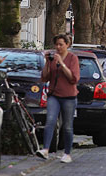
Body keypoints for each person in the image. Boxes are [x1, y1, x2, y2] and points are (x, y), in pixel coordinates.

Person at [36, 34, 80, 163]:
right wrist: (47, 63)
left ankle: (67, 153)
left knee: (67, 126)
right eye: (56, 45)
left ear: (67, 45)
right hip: (54, 95)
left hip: (69, 97)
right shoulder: (53, 58)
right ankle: (45, 149)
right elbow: (45, 77)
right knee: (50, 121)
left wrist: (62, 64)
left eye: (61, 44)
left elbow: (74, 79)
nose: (58, 47)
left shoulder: (73, 58)